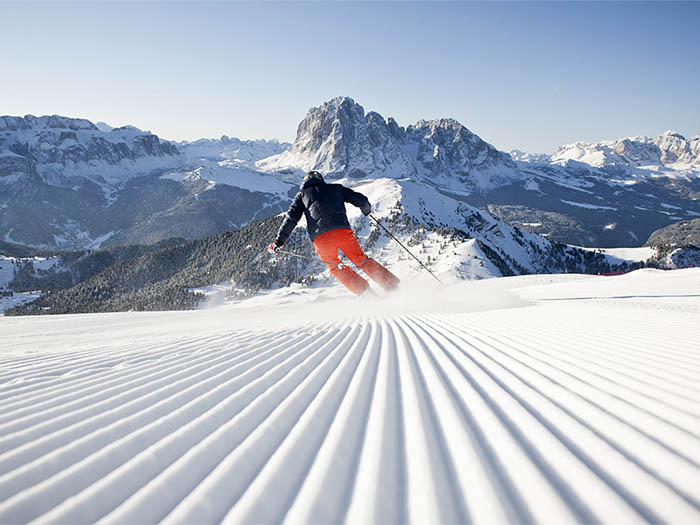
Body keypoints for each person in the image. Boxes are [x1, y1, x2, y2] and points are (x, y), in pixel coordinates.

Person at [269, 170, 400, 296]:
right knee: (361, 261)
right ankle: (392, 286)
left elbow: (291, 219)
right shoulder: (336, 188)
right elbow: (361, 200)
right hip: (342, 232)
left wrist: (278, 242)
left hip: (321, 239)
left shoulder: (302, 196)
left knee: (335, 267)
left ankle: (366, 293)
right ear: (322, 180)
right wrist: (366, 210)